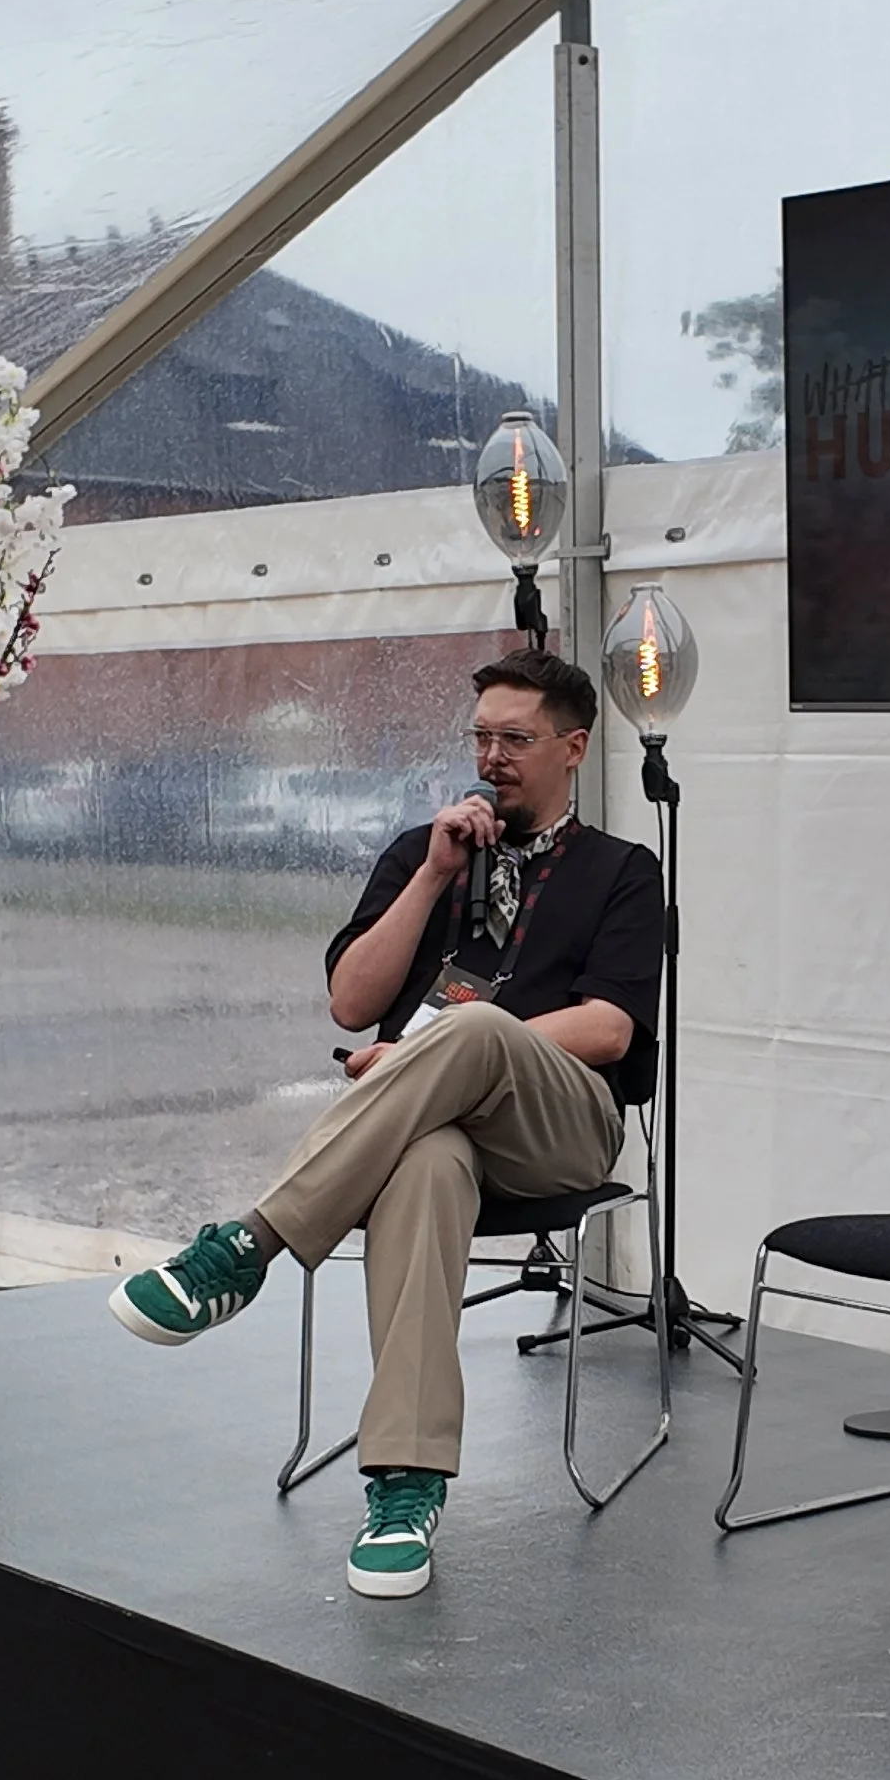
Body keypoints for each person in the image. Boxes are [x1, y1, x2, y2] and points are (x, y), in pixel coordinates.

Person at [110, 650, 663, 1600]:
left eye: (516, 740)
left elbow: (610, 1028)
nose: (492, 757)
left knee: (476, 1030)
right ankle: (405, 1486)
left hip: (558, 1121)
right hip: (427, 1128)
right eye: (481, 737)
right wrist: (432, 877)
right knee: (426, 1167)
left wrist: (429, 1053)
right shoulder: (422, 851)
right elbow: (349, 1001)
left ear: (573, 748)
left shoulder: (621, 869)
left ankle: (248, 1246)